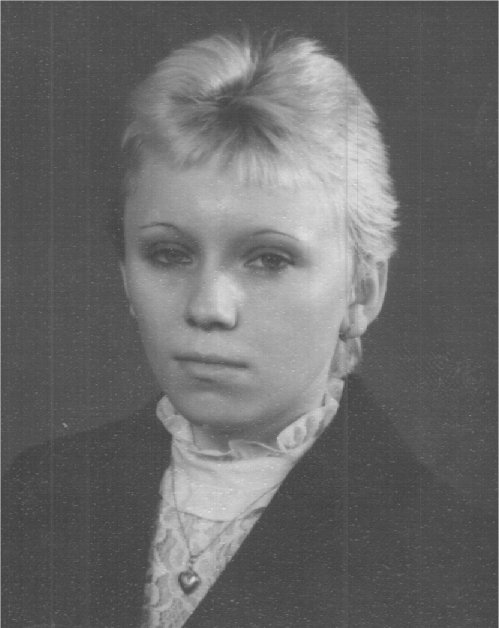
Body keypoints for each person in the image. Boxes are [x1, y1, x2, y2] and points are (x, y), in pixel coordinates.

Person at [2, 32, 495, 628]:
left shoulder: (456, 559)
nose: (208, 308)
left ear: (362, 290)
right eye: (168, 254)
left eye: (268, 259)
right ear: (126, 274)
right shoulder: (43, 490)